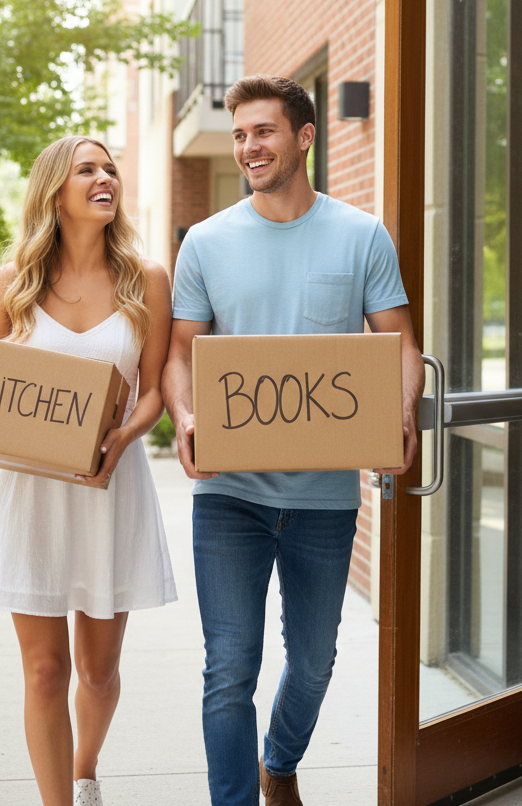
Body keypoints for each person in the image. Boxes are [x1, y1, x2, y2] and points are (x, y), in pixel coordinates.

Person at [161, 74, 424, 806]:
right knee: (229, 667)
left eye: (264, 131)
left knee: (313, 662)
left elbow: (401, 346)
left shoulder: (361, 234)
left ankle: (280, 762)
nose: (249, 146)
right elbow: (181, 354)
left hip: (322, 496)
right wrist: (185, 418)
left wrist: (401, 415)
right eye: (241, 134)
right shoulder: (206, 243)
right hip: (230, 496)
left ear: (304, 137)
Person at [0, 135, 176, 806]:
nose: (106, 178)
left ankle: (84, 767)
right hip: (29, 496)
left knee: (98, 674)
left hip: (109, 490)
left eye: (111, 169)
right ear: (55, 190)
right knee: (46, 671)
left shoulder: (146, 277)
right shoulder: (12, 280)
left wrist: (123, 439)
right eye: (88, 170)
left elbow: (155, 388)